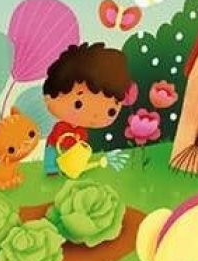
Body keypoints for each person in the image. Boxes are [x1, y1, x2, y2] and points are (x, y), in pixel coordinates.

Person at [42, 42, 131, 176]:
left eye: (111, 111)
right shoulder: (60, 127)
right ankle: (51, 167)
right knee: (52, 151)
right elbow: (56, 140)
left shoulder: (83, 132)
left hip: (73, 149)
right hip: (57, 145)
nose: (95, 115)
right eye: (78, 104)